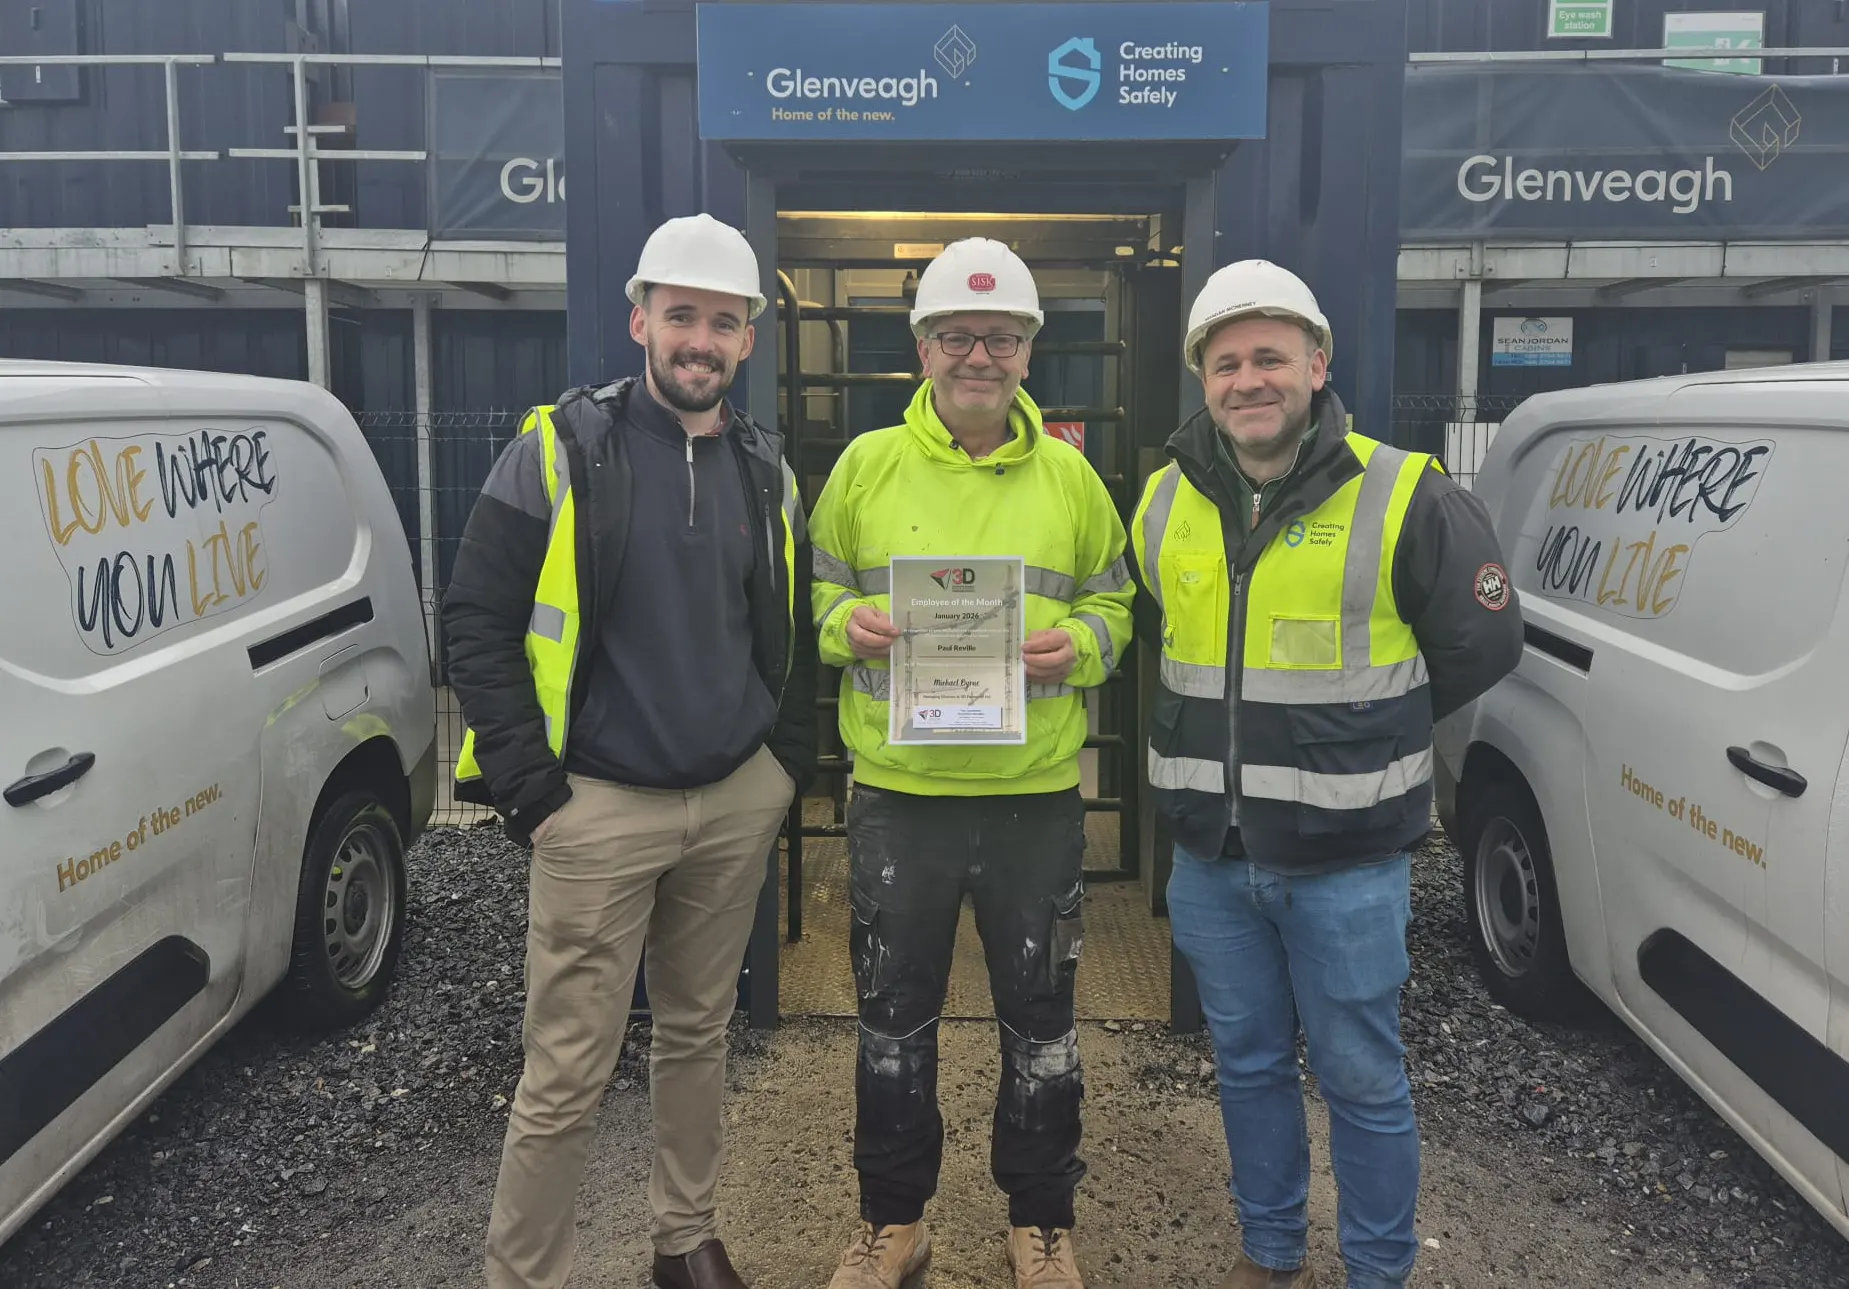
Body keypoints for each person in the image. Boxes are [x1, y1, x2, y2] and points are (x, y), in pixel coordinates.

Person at [1130, 260, 1523, 1289]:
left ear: (1317, 363)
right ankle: (1270, 1250)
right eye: (1226, 363)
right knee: (1248, 1065)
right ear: (1202, 379)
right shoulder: (1163, 499)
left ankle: (1376, 1271)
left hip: (1348, 863)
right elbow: (1166, 636)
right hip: (1212, 857)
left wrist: (1366, 732)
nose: (1247, 380)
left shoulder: (1404, 492)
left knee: (1361, 1078)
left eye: (1270, 356)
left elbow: (1482, 642)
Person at [443, 211, 817, 1289]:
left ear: (748, 339)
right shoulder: (559, 448)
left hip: (731, 798)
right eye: (681, 315)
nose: (701, 340)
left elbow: (786, 629)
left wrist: (781, 767)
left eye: (723, 322)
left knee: (699, 1035)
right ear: (640, 320)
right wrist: (531, 788)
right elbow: (474, 616)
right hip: (596, 809)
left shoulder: (767, 469)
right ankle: (526, 1275)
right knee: (567, 1066)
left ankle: (682, 1237)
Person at [808, 238, 1135, 1289]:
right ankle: (892, 1222)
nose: (978, 355)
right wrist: (842, 625)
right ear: (923, 348)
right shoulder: (864, 467)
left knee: (1041, 1024)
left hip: (1033, 797)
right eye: (957, 335)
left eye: (1000, 337)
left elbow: (1116, 602)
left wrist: (1081, 644)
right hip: (898, 795)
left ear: (1030, 351)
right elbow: (812, 595)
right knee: (890, 1021)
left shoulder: (1073, 478)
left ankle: (1040, 1223)